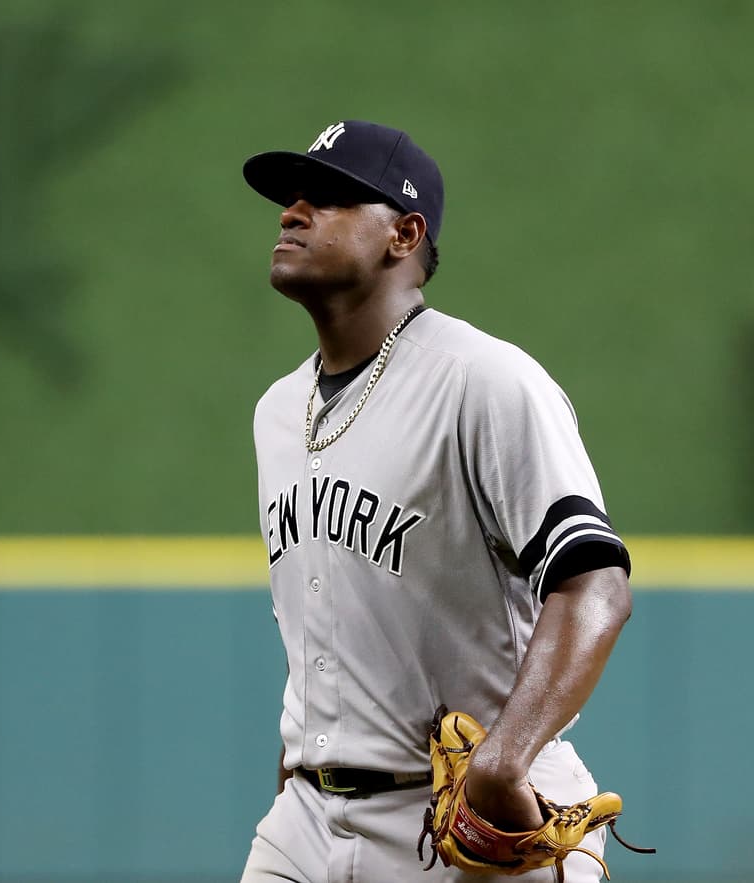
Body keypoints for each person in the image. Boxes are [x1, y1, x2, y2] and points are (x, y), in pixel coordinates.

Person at [238, 120, 634, 882]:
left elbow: (595, 584)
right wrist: (295, 777)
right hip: (308, 821)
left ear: (405, 233)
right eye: (291, 198)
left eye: (329, 197)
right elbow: (323, 631)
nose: (292, 212)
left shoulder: (484, 381)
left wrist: (505, 757)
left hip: (466, 821)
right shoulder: (277, 412)